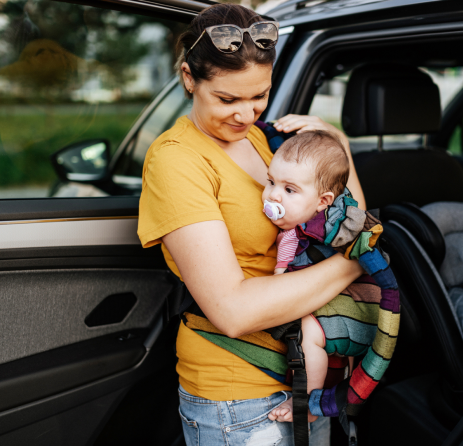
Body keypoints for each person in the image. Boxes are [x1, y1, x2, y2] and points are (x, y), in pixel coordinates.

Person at [136, 4, 366, 446]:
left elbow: (351, 224)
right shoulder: (176, 160)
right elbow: (232, 311)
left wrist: (339, 147)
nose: (246, 113)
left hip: (309, 380)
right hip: (239, 397)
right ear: (189, 78)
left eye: (259, 95)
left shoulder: (263, 140)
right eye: (228, 99)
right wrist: (353, 265)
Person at [260, 131, 400, 423]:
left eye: (289, 190)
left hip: (363, 307)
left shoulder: (336, 226)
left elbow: (281, 288)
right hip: (338, 297)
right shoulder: (299, 221)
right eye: (271, 182)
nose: (273, 195)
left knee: (309, 332)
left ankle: (310, 404)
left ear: (323, 201)